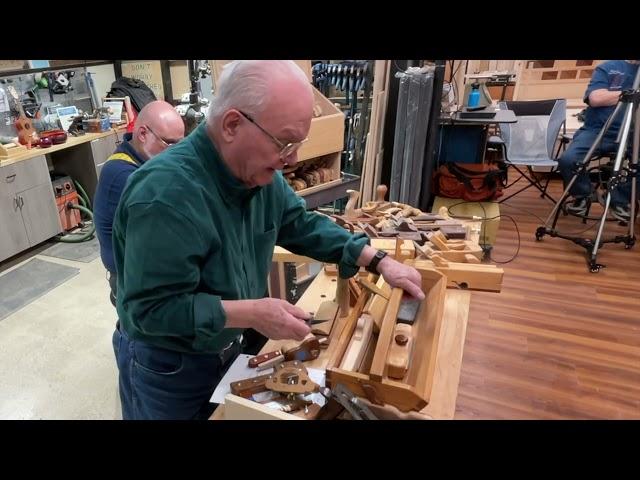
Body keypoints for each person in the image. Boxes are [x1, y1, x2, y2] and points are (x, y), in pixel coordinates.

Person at [110, 60, 426, 420]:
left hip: (227, 345)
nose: (292, 158)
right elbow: (150, 311)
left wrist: (377, 259)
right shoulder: (164, 195)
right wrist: (252, 313)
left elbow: (299, 223)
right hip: (170, 368)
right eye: (285, 141)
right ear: (232, 124)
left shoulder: (258, 174)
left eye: (298, 143)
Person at [94, 101, 185, 307]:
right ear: (143, 134)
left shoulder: (146, 159)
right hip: (132, 283)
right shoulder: (122, 175)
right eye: (170, 143)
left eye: (181, 143)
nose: (177, 152)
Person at [558, 60, 639, 221]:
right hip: (598, 130)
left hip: (633, 134)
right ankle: (583, 195)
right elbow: (595, 98)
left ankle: (618, 198)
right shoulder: (608, 67)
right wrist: (628, 95)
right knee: (568, 160)